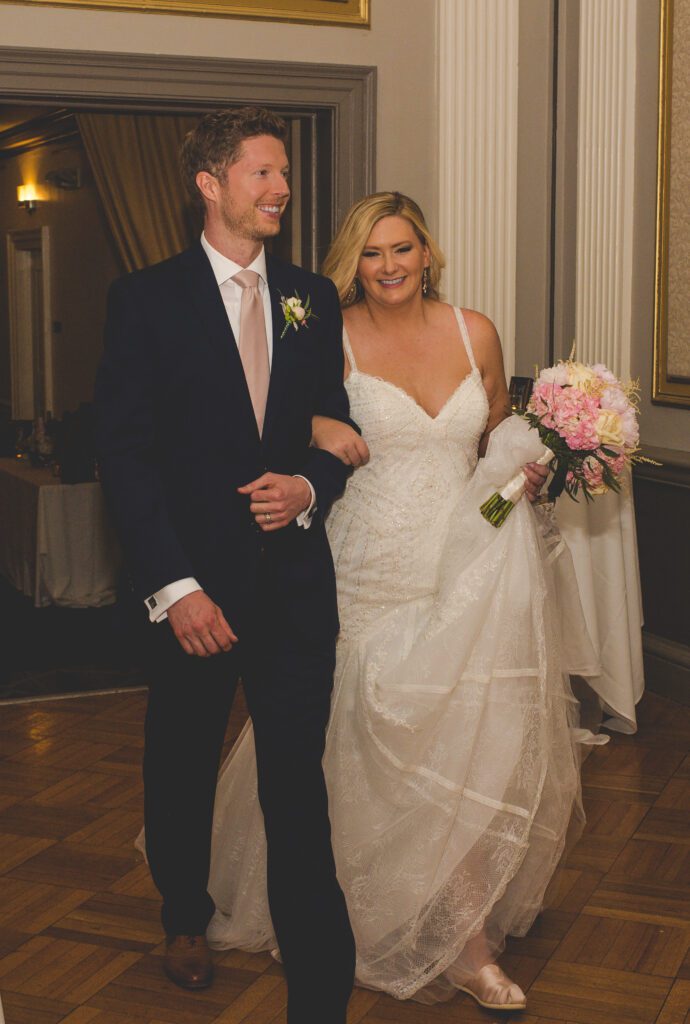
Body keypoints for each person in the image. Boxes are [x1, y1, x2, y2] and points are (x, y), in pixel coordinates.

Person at [206, 191, 605, 1010]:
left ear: (428, 253)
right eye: (371, 253)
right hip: (366, 567)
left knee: (471, 744)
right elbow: (275, 426)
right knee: (369, 740)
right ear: (352, 263)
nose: (388, 267)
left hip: (471, 566)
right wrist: (316, 432)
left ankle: (467, 942)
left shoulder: (476, 331)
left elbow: (494, 432)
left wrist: (526, 469)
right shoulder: (327, 333)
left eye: (402, 250)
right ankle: (349, 906)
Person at [94, 107, 358, 1024]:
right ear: (210, 184)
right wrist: (176, 589)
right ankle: (183, 915)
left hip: (293, 590)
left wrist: (310, 485)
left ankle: (318, 985)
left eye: (283, 174)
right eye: (262, 173)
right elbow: (123, 458)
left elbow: (336, 424)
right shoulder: (145, 298)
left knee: (295, 778)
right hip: (193, 593)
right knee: (180, 760)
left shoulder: (312, 298)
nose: (281, 188)